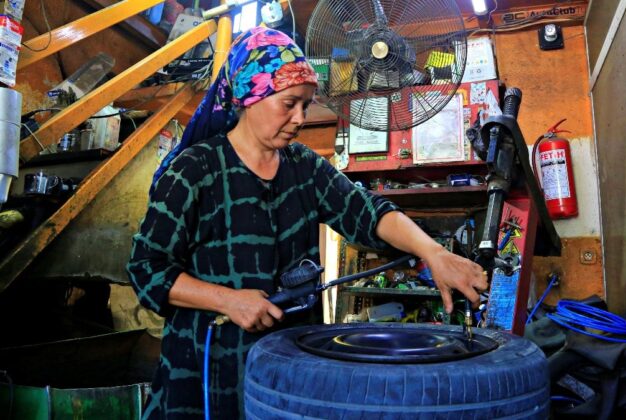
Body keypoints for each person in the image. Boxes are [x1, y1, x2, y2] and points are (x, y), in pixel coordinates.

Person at [127, 27, 488, 419]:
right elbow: (147, 271)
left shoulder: (303, 166)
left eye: (306, 104)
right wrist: (227, 300)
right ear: (251, 95)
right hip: (204, 370)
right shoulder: (194, 171)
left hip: (288, 374)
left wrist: (433, 253)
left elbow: (365, 211)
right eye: (289, 104)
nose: (300, 118)